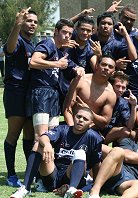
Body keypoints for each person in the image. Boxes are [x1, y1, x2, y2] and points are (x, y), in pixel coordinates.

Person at [10, 107, 103, 198]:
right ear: (74, 117)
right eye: (78, 117)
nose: (81, 120)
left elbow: (96, 163)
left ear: (91, 124)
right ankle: (25, 188)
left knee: (80, 153)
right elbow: (43, 137)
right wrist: (47, 144)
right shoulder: (63, 129)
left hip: (71, 176)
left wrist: (95, 186)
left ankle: (71, 190)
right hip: (53, 174)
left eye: (85, 119)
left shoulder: (94, 138)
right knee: (38, 145)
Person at [88, 121, 138, 198]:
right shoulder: (129, 142)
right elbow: (126, 156)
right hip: (116, 172)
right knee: (117, 150)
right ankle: (95, 191)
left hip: (127, 182)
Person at [28, 19, 80, 140]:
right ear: (55, 31)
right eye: (64, 32)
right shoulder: (48, 43)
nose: (67, 36)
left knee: (52, 137)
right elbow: (33, 61)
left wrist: (78, 68)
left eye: (70, 33)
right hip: (41, 91)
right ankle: (35, 159)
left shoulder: (60, 49)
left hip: (53, 93)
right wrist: (56, 64)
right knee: (40, 136)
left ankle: (49, 160)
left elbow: (69, 63)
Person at [3, 7, 37, 187]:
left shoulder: (33, 44)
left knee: (29, 137)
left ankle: (30, 174)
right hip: (15, 92)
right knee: (13, 135)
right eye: (29, 20)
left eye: (35, 22)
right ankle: (11, 175)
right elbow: (9, 49)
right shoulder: (17, 40)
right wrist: (16, 25)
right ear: (22, 22)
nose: (32, 24)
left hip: (30, 93)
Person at [63, 54, 117, 131]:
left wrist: (89, 111)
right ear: (97, 66)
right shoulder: (80, 81)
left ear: (113, 72)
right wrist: (73, 130)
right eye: (104, 64)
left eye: (110, 67)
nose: (106, 68)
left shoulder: (110, 94)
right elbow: (67, 108)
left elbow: (105, 122)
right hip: (71, 125)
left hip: (90, 130)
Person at [102, 71, 137, 144]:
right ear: (111, 85)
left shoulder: (123, 103)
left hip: (108, 133)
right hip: (96, 128)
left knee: (128, 132)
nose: (120, 90)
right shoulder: (102, 97)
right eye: (117, 86)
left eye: (123, 87)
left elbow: (129, 126)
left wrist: (134, 106)